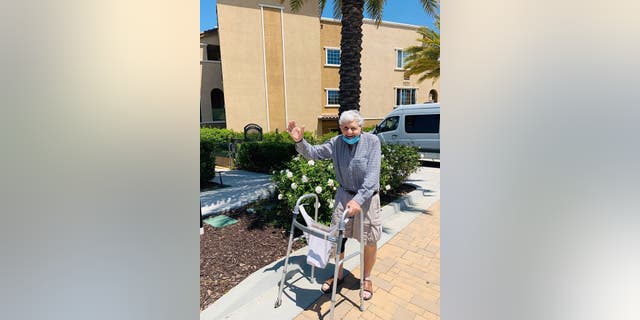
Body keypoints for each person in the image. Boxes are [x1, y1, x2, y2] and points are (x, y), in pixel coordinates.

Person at [286, 110, 381, 301]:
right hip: (344, 196)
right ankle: (338, 275)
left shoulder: (372, 142)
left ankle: (367, 278)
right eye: (345, 128)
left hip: (368, 199)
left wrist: (359, 200)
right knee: (338, 238)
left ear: (360, 127)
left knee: (369, 240)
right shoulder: (336, 143)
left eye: (353, 128)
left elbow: (372, 177)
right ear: (340, 128)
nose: (349, 132)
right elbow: (314, 153)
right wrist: (299, 141)